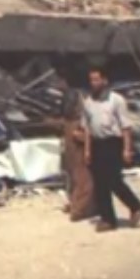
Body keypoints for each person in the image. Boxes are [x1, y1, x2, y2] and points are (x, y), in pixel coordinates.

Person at [83, 67, 140, 231]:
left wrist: (127, 149)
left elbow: (126, 127)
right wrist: (87, 150)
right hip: (97, 144)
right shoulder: (88, 102)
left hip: (112, 143)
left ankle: (135, 205)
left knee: (113, 180)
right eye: (91, 80)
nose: (93, 83)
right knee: (100, 183)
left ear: (104, 80)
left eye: (96, 79)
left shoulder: (116, 100)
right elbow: (87, 128)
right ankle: (108, 219)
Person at [60, 81, 95, 221]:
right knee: (85, 183)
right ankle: (78, 211)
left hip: (70, 155)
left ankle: (77, 206)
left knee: (75, 182)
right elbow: (81, 137)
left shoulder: (66, 122)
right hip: (79, 154)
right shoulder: (78, 122)